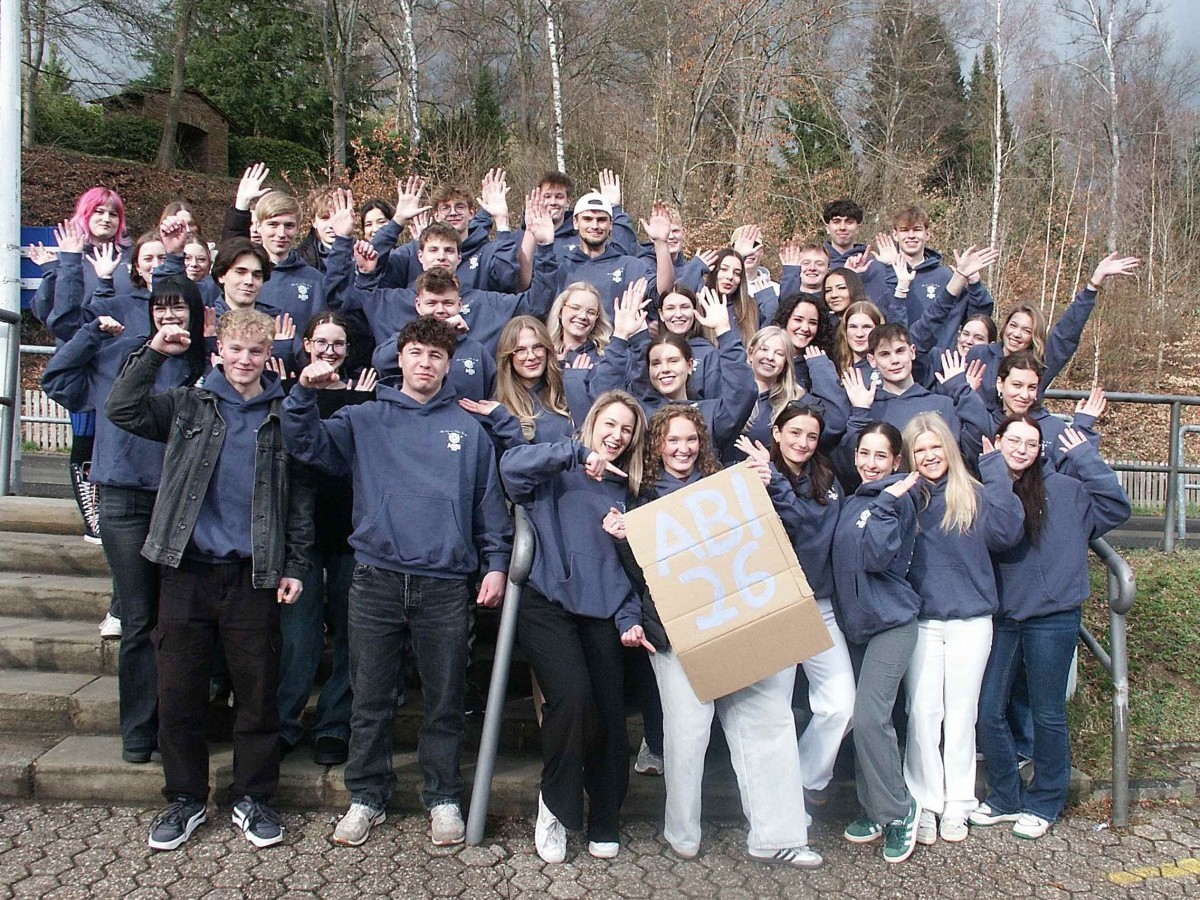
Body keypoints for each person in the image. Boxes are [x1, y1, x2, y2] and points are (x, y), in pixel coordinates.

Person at [282, 315, 512, 848]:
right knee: (371, 696)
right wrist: (300, 394)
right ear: (399, 357)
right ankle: (365, 795)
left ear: (448, 365)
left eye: (436, 356)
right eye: (416, 353)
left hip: (445, 582)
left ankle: (443, 797)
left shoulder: (469, 429)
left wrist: (496, 561)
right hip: (376, 577)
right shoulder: (365, 419)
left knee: (445, 698)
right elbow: (306, 446)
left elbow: (488, 505)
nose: (425, 363)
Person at [106, 307, 313, 852]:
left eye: (254, 352)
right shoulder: (187, 404)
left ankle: (252, 797)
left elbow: (299, 498)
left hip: (253, 573)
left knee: (257, 692)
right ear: (219, 350)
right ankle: (185, 799)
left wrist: (294, 563)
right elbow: (121, 408)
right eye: (235, 350)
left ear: (268, 355)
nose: (244, 361)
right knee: (178, 692)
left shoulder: (281, 413)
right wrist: (155, 351)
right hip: (186, 569)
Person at [605, 405, 822, 868]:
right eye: (672, 440)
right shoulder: (637, 501)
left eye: (691, 440)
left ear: (703, 443)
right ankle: (682, 831)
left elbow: (795, 529)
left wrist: (773, 483)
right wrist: (624, 541)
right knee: (687, 736)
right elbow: (633, 579)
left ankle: (778, 835)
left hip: (744, 625)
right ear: (657, 445)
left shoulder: (729, 487)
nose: (682, 449)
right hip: (676, 636)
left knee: (767, 723)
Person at [42, 274, 207, 766]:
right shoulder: (123, 352)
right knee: (138, 618)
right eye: (161, 306)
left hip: (179, 502)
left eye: (180, 307)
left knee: (179, 621)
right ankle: (138, 731)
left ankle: (179, 723)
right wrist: (92, 333)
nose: (170, 315)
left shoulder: (201, 362)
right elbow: (58, 382)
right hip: (123, 501)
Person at [499, 391, 647, 863]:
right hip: (549, 603)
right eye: (610, 423)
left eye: (626, 429)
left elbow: (630, 567)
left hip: (602, 609)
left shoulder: (628, 488)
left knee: (609, 714)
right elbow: (510, 470)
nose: (616, 435)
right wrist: (576, 453)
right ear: (591, 421)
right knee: (573, 699)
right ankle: (557, 808)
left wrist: (628, 616)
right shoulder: (558, 460)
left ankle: (605, 815)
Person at [972, 415, 1130, 839]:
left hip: (1053, 616)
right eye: (1013, 440)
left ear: (1041, 449)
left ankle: (1045, 800)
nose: (1021, 449)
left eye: (1031, 443)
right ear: (997, 442)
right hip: (1004, 615)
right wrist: (993, 474)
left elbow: (1117, 506)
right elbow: (1000, 536)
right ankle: (1006, 796)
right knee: (988, 711)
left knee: (1047, 713)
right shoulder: (987, 488)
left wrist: (1083, 455)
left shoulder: (1065, 488)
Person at [899, 414, 1024, 846]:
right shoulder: (907, 499)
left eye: (936, 447)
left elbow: (1009, 532)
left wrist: (995, 471)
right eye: (920, 450)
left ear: (949, 449)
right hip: (923, 622)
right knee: (922, 716)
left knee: (961, 716)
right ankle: (926, 802)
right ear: (909, 456)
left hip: (971, 621)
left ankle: (958, 803)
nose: (930, 456)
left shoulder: (972, 495)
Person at [738, 404, 854, 810]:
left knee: (841, 703)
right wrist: (770, 482)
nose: (802, 443)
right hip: (774, 606)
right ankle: (773, 800)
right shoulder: (752, 474)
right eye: (794, 433)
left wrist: (778, 487)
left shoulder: (828, 478)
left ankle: (806, 778)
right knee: (773, 710)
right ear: (776, 431)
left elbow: (810, 528)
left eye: (811, 435)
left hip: (818, 603)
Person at [277, 313, 377, 767]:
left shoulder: (364, 395)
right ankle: (284, 720)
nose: (330, 350)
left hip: (349, 532)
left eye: (338, 343)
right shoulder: (289, 391)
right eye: (322, 342)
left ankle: (335, 723)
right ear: (306, 343)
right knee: (299, 636)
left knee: (352, 634)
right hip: (298, 533)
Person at [832, 423, 923, 864]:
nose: (870, 463)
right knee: (858, 718)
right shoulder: (852, 502)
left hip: (892, 624)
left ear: (896, 462)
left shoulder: (898, 500)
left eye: (880, 456)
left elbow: (876, 558)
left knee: (871, 718)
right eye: (864, 454)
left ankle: (900, 811)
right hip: (859, 628)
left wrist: (886, 503)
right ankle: (873, 808)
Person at [592, 282, 757, 457]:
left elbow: (743, 391)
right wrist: (620, 336)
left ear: (690, 365)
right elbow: (602, 398)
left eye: (673, 361)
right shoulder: (640, 412)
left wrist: (724, 331)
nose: (664, 369)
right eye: (656, 363)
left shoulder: (709, 413)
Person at [967, 251, 1141, 413]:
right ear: (1005, 327)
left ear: (1033, 336)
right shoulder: (980, 353)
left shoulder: (1040, 362)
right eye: (1013, 326)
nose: (1016, 334)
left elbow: (1066, 334)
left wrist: (1094, 284)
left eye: (1026, 330)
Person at [554, 192, 675, 315]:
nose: (595, 226)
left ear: (611, 224)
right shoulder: (560, 267)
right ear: (575, 222)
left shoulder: (631, 267)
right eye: (587, 219)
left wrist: (661, 243)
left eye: (601, 220)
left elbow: (664, 294)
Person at [489, 316, 586, 443]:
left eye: (537, 347)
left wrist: (576, 386)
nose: (531, 356)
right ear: (508, 357)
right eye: (520, 350)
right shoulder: (499, 409)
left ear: (547, 350)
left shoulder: (568, 389)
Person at [770, 293, 838, 392]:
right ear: (785, 319)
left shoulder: (822, 363)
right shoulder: (767, 356)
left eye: (812, 323)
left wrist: (820, 369)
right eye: (798, 320)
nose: (805, 328)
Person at [547, 282, 612, 365]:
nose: (583, 316)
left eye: (591, 312)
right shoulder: (545, 354)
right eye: (575, 308)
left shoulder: (606, 358)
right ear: (560, 311)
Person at [822, 198, 869, 268]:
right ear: (827, 228)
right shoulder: (814, 263)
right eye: (836, 222)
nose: (842, 227)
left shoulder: (869, 264)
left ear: (858, 228)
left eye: (849, 222)